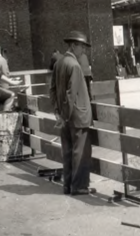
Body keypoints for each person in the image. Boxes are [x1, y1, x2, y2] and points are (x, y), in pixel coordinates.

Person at [49, 30, 96, 196]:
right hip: (78, 117)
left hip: (65, 117)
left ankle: (67, 186)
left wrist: (58, 113)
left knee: (68, 152)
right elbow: (71, 94)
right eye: (82, 46)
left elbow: (52, 90)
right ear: (73, 45)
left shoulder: (59, 63)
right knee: (80, 153)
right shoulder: (75, 66)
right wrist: (65, 116)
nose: (83, 50)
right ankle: (79, 187)